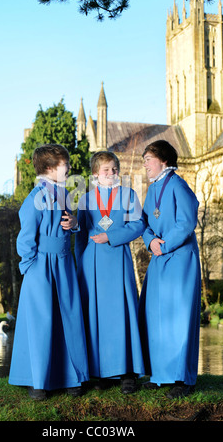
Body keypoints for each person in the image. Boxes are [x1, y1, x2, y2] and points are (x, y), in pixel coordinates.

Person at [9, 144, 89, 400]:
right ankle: (37, 381)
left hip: (64, 264)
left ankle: (71, 377)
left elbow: (68, 227)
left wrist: (74, 224)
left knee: (68, 318)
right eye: (63, 164)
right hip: (41, 267)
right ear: (48, 169)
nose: (68, 168)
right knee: (42, 322)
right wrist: (30, 267)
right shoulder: (34, 197)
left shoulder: (64, 194)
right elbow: (25, 239)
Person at [75, 151, 146, 394]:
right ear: (95, 174)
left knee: (122, 314)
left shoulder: (128, 195)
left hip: (118, 259)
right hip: (92, 263)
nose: (112, 173)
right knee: (96, 317)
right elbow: (81, 235)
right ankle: (101, 372)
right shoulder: (85, 199)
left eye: (114, 169)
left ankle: (127, 373)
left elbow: (138, 225)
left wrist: (111, 237)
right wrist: (78, 266)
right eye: (106, 170)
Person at [139, 140, 201, 399]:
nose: (145, 166)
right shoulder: (152, 189)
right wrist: (150, 240)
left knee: (179, 319)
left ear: (163, 160)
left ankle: (182, 379)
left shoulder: (178, 184)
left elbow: (188, 221)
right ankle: (159, 375)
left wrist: (163, 246)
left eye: (148, 160)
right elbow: (143, 222)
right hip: (159, 259)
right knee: (155, 316)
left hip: (179, 260)